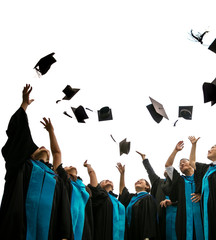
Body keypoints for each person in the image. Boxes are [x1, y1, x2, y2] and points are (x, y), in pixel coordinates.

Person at [0, 84, 71, 240]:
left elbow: (57, 153)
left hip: (49, 233)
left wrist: (51, 132)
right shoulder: (23, 165)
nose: (43, 147)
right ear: (30, 154)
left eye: (45, 148)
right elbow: (19, 134)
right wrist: (24, 104)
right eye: (39, 147)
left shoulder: (55, 176)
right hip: (19, 229)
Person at [164, 141, 204, 240]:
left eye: (184, 162)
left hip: (203, 215)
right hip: (184, 218)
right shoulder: (180, 180)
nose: (182, 164)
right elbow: (168, 165)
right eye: (180, 164)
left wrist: (201, 195)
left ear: (191, 163)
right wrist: (175, 150)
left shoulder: (202, 175)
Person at [137, 150, 177, 240]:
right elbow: (150, 172)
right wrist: (144, 159)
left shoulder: (179, 183)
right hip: (160, 216)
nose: (167, 170)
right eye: (165, 169)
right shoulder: (158, 182)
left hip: (176, 216)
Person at [84, 160, 125, 240]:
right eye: (103, 181)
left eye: (110, 181)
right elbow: (92, 174)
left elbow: (122, 191)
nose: (108, 180)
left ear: (113, 187)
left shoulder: (118, 203)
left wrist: (122, 175)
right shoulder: (100, 195)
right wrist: (88, 166)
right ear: (99, 186)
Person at [117, 162, 159, 240]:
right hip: (131, 233)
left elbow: (149, 219)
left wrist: (147, 237)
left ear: (147, 186)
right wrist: (122, 174)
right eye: (137, 181)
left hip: (142, 235)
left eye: (141, 181)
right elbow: (122, 192)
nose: (138, 181)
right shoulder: (132, 198)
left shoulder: (148, 198)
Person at [56, 162, 94, 240]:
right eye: (66, 166)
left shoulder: (84, 188)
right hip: (66, 226)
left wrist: (88, 166)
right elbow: (57, 164)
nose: (70, 165)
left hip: (82, 230)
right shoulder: (63, 180)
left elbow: (95, 186)